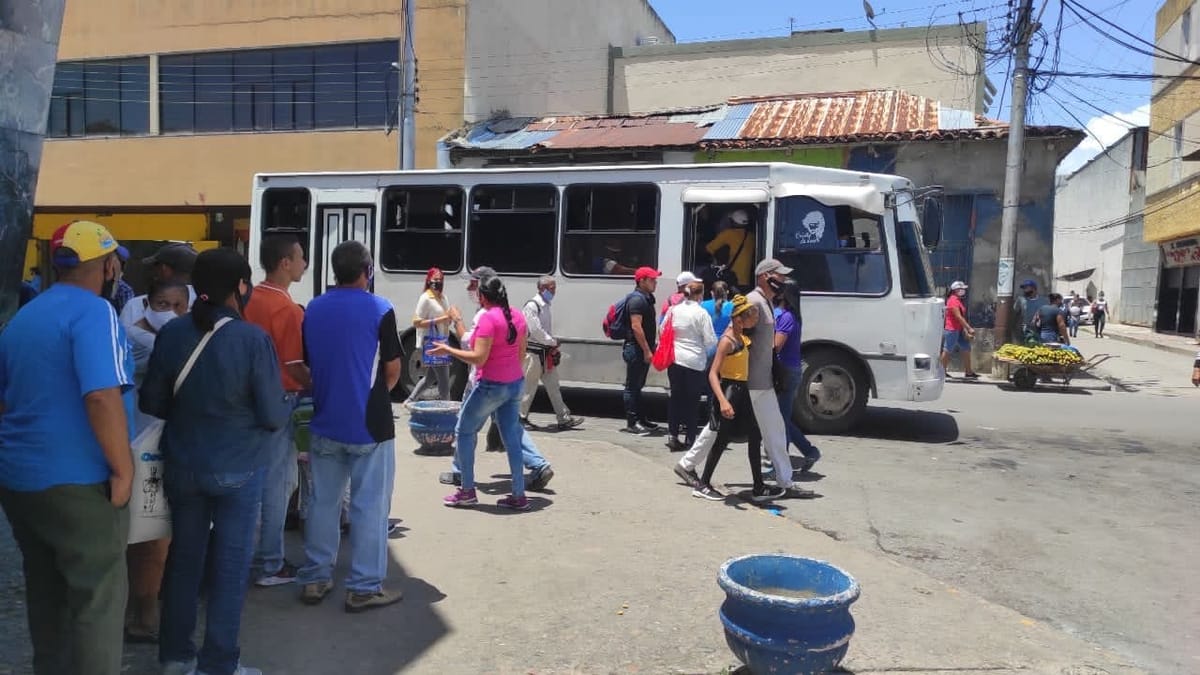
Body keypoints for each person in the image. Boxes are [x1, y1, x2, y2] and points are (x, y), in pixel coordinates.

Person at [141, 248, 290, 675]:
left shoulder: (171, 334)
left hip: (183, 466)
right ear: (240, 287)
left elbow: (153, 401)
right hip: (239, 469)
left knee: (184, 561)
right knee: (229, 566)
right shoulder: (252, 339)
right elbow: (271, 414)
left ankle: (175, 658)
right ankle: (219, 663)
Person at [0, 221, 134, 675]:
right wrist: (123, 471)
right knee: (98, 600)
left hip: (20, 480)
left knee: (47, 593)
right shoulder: (96, 313)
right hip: (78, 482)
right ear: (107, 265)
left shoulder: (25, 316)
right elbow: (101, 395)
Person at [298, 241, 404, 613]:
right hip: (369, 425)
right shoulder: (380, 308)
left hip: (324, 420)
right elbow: (392, 370)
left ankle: (315, 577)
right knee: (369, 507)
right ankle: (363, 586)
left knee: (322, 503)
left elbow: (312, 363)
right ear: (367, 270)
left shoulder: (313, 308)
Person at [438, 267, 554, 492]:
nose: (471, 290)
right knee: (511, 431)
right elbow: (520, 353)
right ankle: (524, 485)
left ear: (484, 290)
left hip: (486, 383)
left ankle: (463, 481)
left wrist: (456, 323)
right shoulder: (514, 314)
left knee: (465, 429)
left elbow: (472, 348)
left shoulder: (486, 316)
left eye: (474, 286)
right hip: (511, 382)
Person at [123, 278, 190, 646]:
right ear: (147, 302)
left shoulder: (125, 334)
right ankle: (142, 619)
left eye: (177, 305)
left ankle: (139, 612)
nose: (171, 313)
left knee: (146, 538)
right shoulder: (147, 339)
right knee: (152, 539)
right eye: (163, 304)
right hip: (145, 451)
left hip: (140, 444)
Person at [243, 235, 311, 588]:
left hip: (249, 399)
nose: (304, 262)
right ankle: (269, 562)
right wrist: (319, 385)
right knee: (280, 483)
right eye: (300, 257)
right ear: (285, 263)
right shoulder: (286, 308)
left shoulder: (250, 297)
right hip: (282, 399)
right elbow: (295, 365)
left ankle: (257, 556)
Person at [745, 259, 804, 493]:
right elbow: (740, 339)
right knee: (718, 429)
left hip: (764, 379)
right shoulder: (753, 301)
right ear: (764, 276)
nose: (781, 280)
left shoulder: (767, 303)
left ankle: (785, 481)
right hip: (750, 380)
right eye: (778, 275)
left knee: (776, 430)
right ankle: (688, 465)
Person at [520, 276, 583, 430]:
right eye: (551, 288)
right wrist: (553, 341)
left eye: (554, 288)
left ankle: (563, 418)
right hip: (534, 353)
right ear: (542, 289)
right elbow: (535, 331)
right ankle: (520, 418)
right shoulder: (532, 306)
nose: (554, 291)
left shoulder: (545, 305)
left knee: (554, 386)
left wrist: (551, 345)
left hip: (545, 353)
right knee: (529, 387)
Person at [773, 279, 822, 471]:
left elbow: (776, 345)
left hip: (785, 372)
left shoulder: (786, 317)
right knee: (781, 417)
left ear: (785, 294)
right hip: (789, 371)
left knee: (779, 420)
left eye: (780, 289)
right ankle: (809, 451)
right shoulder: (792, 315)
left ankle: (780, 464)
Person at [665, 279, 718, 452]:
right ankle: (689, 439)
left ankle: (672, 435)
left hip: (675, 359)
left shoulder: (674, 310)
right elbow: (711, 340)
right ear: (700, 294)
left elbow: (663, 329)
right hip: (694, 362)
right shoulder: (701, 313)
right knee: (692, 401)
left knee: (676, 398)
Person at [406, 267, 460, 403]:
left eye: (441, 279)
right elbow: (416, 322)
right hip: (431, 342)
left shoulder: (443, 297)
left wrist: (452, 317)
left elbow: (446, 315)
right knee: (444, 377)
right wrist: (440, 320)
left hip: (442, 340)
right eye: (435, 279)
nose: (438, 282)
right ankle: (447, 407)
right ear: (429, 281)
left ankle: (410, 400)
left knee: (430, 378)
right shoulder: (425, 298)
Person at [121, 242, 198, 333]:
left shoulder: (135, 305)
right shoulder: (206, 303)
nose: (153, 272)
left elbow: (121, 340)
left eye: (155, 266)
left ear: (164, 269)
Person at [622, 267, 662, 435]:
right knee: (632, 386)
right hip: (635, 349)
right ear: (642, 281)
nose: (655, 282)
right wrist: (646, 350)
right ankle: (632, 422)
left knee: (638, 386)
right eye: (652, 279)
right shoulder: (637, 300)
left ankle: (641, 419)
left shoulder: (646, 298)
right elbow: (636, 327)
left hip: (641, 349)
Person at [705, 209, 756, 288]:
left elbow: (709, 248)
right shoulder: (752, 236)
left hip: (731, 279)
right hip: (748, 280)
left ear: (733, 222)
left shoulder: (728, 234)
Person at [941, 280, 979, 379]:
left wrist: (965, 330)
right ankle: (941, 372)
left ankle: (969, 372)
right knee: (947, 350)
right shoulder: (953, 300)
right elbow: (958, 317)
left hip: (959, 329)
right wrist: (969, 328)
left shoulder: (957, 300)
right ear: (956, 290)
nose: (963, 291)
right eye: (962, 289)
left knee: (966, 348)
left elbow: (961, 317)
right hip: (952, 330)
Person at [1012, 279, 1047, 343]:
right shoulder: (1021, 300)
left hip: (1040, 329)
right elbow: (1014, 313)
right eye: (1024, 288)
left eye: (1026, 288)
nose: (1024, 290)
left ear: (1033, 288)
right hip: (1026, 328)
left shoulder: (1043, 301)